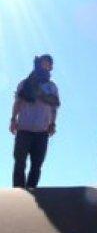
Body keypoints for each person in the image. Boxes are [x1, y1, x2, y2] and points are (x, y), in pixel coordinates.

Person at [10, 55, 60, 188]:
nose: (47, 66)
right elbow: (18, 102)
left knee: (37, 165)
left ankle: (32, 191)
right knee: (19, 162)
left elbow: (54, 106)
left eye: (49, 64)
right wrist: (13, 119)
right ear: (39, 63)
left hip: (42, 131)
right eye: (45, 63)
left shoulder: (52, 87)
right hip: (24, 129)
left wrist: (53, 123)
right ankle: (18, 193)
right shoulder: (25, 84)